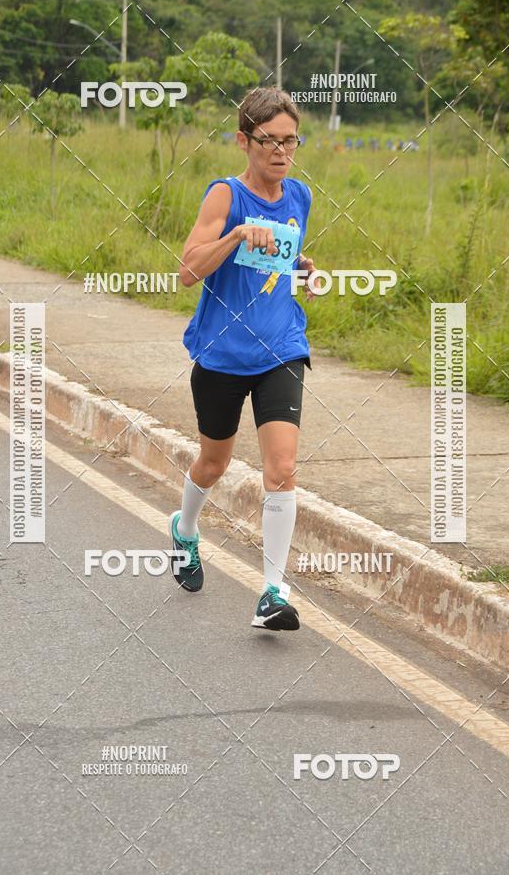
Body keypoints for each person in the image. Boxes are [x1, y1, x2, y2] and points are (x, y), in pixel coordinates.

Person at [168, 86, 319, 631]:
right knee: (215, 463)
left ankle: (272, 592)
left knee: (281, 469)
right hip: (222, 354)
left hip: (281, 347)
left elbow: (284, 251)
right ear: (243, 140)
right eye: (269, 141)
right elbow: (188, 271)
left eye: (290, 140)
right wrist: (234, 234)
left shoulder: (299, 195)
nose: (281, 151)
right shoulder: (224, 196)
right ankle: (186, 530)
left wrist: (305, 269)